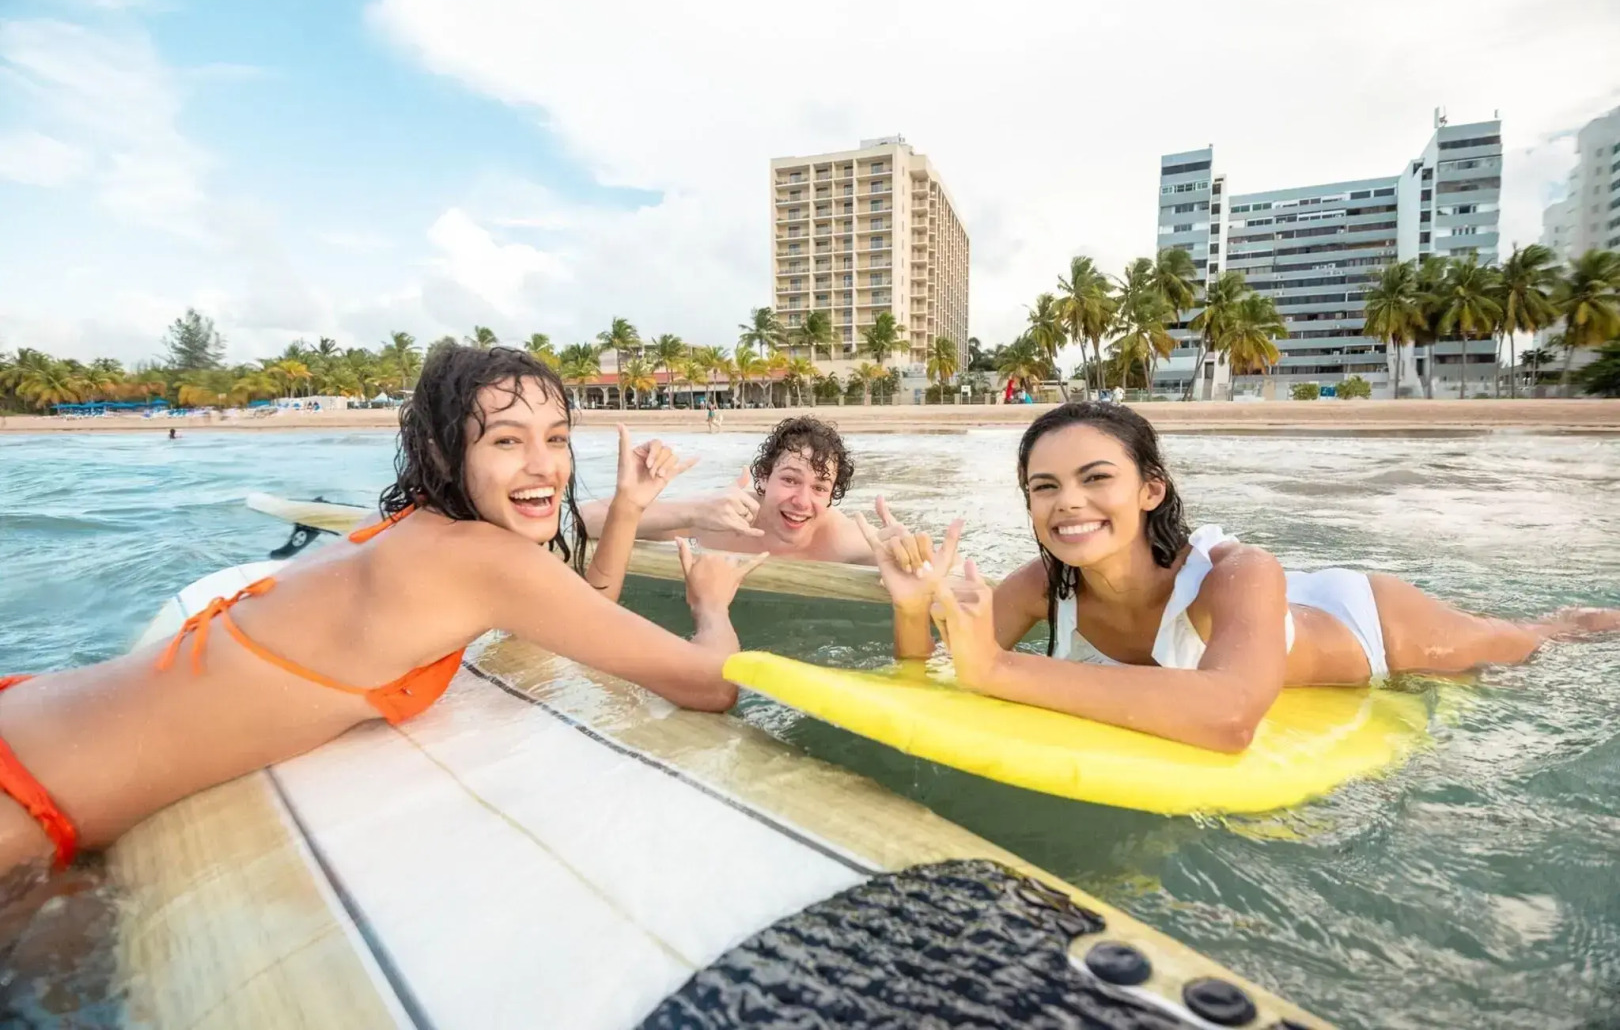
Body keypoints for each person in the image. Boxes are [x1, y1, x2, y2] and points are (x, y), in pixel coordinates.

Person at [0, 346, 766, 874]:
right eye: (507, 440)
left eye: (558, 439)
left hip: (31, 724)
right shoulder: (479, 560)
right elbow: (708, 684)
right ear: (442, 455)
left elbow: (577, 609)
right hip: (22, 803)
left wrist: (628, 509)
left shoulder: (403, 530)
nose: (545, 466)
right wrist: (712, 606)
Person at [857, 401, 1620, 753]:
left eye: (1096, 479)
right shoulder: (1045, 582)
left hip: (1371, 626)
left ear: (1150, 488)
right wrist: (910, 606)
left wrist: (996, 666)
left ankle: (1576, 618)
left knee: (1528, 644)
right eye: (1044, 487)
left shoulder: (1241, 570)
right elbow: (929, 678)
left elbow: (1228, 719)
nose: (1069, 505)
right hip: (1270, 626)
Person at [580, 415, 908, 564]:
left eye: (820, 488)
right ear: (763, 477)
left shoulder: (842, 540)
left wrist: (907, 553)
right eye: (790, 480)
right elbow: (586, 519)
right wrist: (692, 512)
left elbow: (941, 573)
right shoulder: (720, 517)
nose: (802, 502)